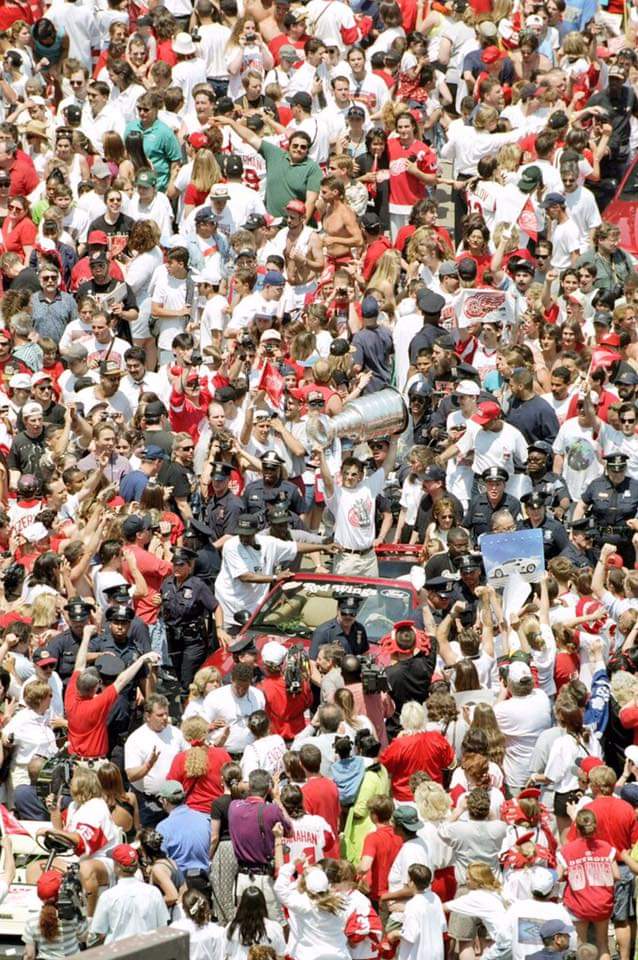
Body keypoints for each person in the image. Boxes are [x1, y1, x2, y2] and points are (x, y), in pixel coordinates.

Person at [89, 843, 170, 944]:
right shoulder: (154, 892)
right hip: (149, 952)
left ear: (117, 867)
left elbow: (99, 932)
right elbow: (163, 926)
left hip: (118, 954)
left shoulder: (107, 896)